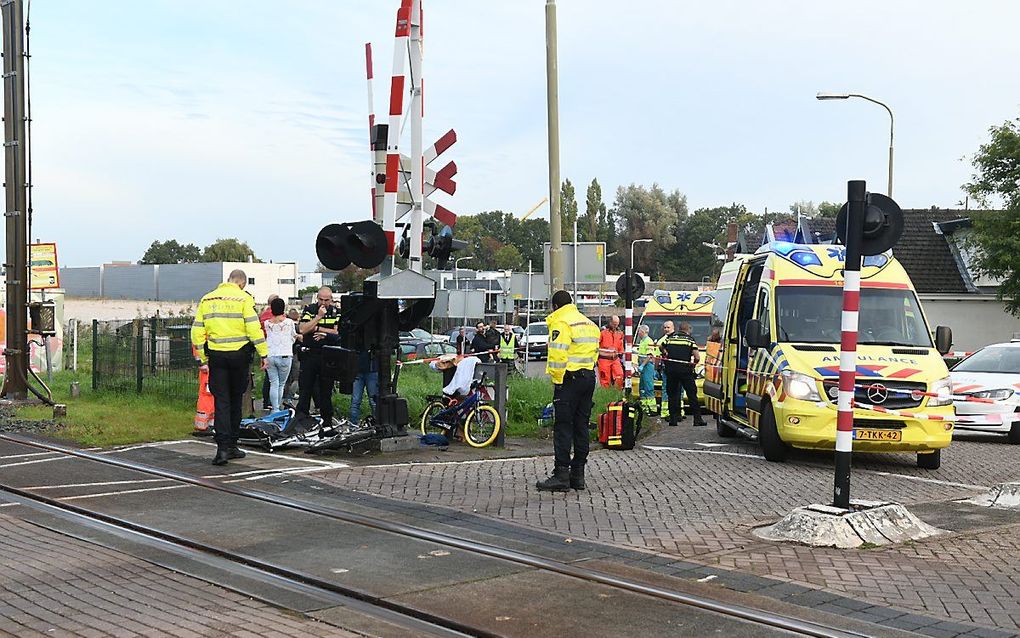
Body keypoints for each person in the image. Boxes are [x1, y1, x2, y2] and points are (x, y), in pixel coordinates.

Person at [191, 269, 268, 465]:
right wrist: (263, 353)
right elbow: (253, 328)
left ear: (227, 281)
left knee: (221, 402)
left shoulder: (207, 300)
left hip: (217, 357)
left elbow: (197, 331)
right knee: (235, 401)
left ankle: (222, 449)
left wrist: (202, 358)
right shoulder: (244, 299)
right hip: (239, 356)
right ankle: (232, 445)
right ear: (242, 284)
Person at [536, 290, 599, 492]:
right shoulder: (589, 324)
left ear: (555, 306)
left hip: (569, 381)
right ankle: (578, 475)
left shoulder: (561, 323)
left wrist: (557, 381)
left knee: (563, 426)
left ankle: (561, 474)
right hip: (588, 378)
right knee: (581, 425)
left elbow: (557, 355)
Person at [296, 286, 340, 426]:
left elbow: (337, 332)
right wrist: (318, 317)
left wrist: (321, 331)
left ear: (331, 299)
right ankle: (301, 420)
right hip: (309, 354)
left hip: (327, 356)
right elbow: (303, 329)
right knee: (305, 389)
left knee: (325, 391)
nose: (323, 303)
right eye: (321, 299)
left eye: (326, 300)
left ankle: (327, 422)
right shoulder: (310, 310)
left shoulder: (336, 312)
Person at [660, 321, 706, 427]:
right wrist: (693, 365)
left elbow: (661, 347)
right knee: (692, 395)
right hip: (685, 371)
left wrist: (665, 354)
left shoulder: (670, 338)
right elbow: (697, 357)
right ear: (688, 330)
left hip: (671, 370)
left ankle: (673, 420)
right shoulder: (690, 340)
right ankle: (697, 419)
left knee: (672, 395)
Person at [263, 297, 296, 413]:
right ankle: (277, 407)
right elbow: (293, 336)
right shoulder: (289, 322)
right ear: (284, 308)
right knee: (281, 384)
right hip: (285, 355)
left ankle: (274, 409)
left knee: (273, 383)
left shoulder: (267, 324)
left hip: (270, 355)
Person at [259, 294, 279, 410]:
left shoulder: (263, 315)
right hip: (274, 348)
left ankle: (266, 401)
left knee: (268, 376)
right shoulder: (275, 316)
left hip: (264, 346)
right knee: (274, 379)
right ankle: (271, 402)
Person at [350, 349, 378, 424]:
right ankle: (377, 424)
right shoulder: (372, 341)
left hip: (360, 370)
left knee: (356, 401)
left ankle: (353, 425)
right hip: (370, 370)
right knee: (373, 400)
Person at [597, 315, 624, 388]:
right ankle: (606, 395)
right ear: (610, 322)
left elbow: (621, 346)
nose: (615, 326)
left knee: (619, 375)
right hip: (603, 359)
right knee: (605, 379)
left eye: (617, 324)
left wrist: (621, 356)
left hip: (615, 359)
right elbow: (596, 345)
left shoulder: (620, 333)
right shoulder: (602, 332)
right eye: (614, 324)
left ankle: (617, 394)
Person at [635, 324, 657, 413]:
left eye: (639, 332)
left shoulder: (648, 341)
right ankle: (644, 408)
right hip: (643, 367)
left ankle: (652, 409)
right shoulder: (642, 341)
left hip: (647, 367)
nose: (638, 333)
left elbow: (649, 356)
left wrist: (642, 366)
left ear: (642, 332)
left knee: (648, 387)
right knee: (642, 388)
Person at [656, 321, 676, 421]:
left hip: (674, 368)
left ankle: (677, 411)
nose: (666, 329)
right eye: (665, 328)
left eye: (668, 327)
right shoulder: (662, 340)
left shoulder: (675, 339)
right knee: (666, 389)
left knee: (676, 390)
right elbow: (657, 356)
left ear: (673, 328)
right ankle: (665, 411)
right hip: (666, 368)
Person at [283, 308, 302, 406]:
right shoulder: (298, 327)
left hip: (285, 353)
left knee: (285, 379)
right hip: (295, 354)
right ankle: (290, 397)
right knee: (296, 378)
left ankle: (284, 396)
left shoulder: (284, 326)